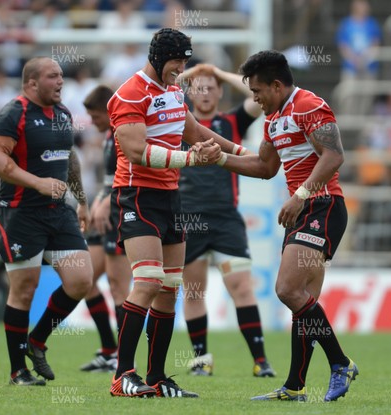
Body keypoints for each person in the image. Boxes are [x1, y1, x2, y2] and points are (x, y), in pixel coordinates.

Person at [107, 27, 244, 398]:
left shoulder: (172, 92)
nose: (181, 68)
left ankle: (157, 377)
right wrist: (190, 159)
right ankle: (122, 375)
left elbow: (195, 131)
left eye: (185, 61)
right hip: (137, 195)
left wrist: (239, 152)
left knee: (169, 289)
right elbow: (136, 152)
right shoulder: (129, 94)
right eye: (177, 61)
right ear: (157, 58)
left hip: (171, 198)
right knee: (149, 281)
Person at [215, 50, 358, 402]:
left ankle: (340, 363)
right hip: (302, 211)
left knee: (287, 290)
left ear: (277, 85)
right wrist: (217, 157)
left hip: (323, 206)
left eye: (258, 91)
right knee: (301, 302)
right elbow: (265, 166)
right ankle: (295, 387)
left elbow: (335, 155)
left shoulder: (308, 104)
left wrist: (302, 194)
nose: (256, 99)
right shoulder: (273, 119)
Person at [0, 57, 93, 386]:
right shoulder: (11, 114)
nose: (61, 81)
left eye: (61, 76)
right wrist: (37, 183)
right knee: (24, 289)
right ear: (32, 83)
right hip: (20, 213)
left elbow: (69, 157)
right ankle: (19, 371)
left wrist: (83, 200)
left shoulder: (62, 114)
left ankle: (37, 341)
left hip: (58, 212)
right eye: (52, 77)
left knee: (81, 280)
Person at [175, 63, 274, 377]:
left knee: (242, 288)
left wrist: (218, 71)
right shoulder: (177, 123)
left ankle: (261, 361)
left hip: (225, 220)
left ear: (219, 92)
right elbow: (156, 89)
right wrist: (188, 75)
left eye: (211, 87)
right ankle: (201, 360)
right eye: (198, 88)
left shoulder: (231, 121)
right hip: (188, 219)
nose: (205, 93)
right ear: (189, 92)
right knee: (193, 292)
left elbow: (257, 97)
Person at [78, 85, 132, 373]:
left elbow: (125, 178)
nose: (92, 122)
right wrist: (98, 201)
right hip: (107, 216)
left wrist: (104, 200)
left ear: (109, 111)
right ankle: (109, 349)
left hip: (122, 215)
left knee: (118, 287)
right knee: (83, 279)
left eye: (95, 115)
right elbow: (110, 179)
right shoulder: (109, 138)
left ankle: (124, 359)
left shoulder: (124, 135)